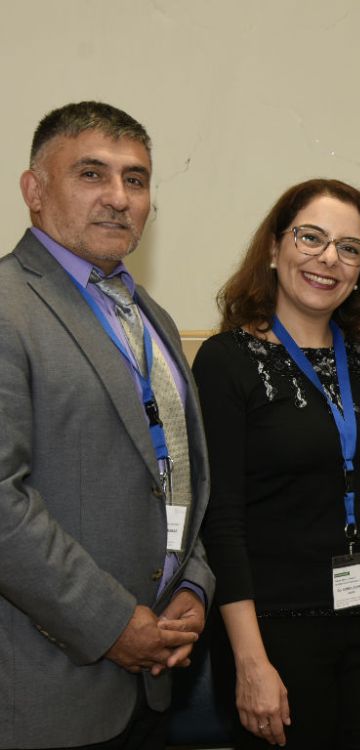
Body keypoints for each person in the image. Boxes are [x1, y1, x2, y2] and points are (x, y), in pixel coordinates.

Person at [0, 101, 214, 749]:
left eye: (137, 179)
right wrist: (113, 624)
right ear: (34, 190)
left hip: (154, 682)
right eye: (92, 174)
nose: (119, 197)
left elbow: (176, 477)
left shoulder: (153, 318)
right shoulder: (9, 307)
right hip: (49, 687)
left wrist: (195, 587)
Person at [192, 178, 360, 748]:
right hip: (277, 631)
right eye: (310, 237)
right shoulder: (226, 361)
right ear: (273, 247)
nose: (327, 258)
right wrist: (250, 661)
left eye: (349, 247)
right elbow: (222, 520)